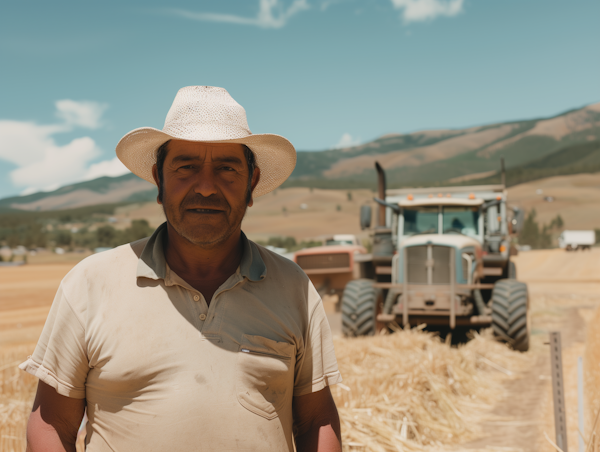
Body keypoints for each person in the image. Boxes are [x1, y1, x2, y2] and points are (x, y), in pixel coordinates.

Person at [20, 86, 343, 451]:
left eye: (227, 169)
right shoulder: (89, 284)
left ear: (251, 184)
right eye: (186, 167)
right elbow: (51, 426)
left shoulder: (292, 287)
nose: (206, 187)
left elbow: (317, 421)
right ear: (159, 181)